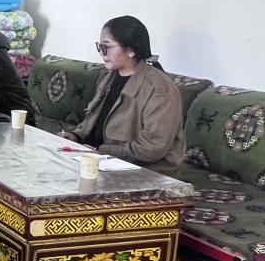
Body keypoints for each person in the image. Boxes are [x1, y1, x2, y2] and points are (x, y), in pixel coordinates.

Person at [64, 15, 185, 171]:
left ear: (130, 51)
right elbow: (94, 119)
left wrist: (101, 151)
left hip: (141, 171)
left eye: (107, 46)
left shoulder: (159, 88)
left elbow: (152, 147)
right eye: (100, 46)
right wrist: (76, 136)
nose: (102, 53)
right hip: (98, 160)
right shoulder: (107, 76)